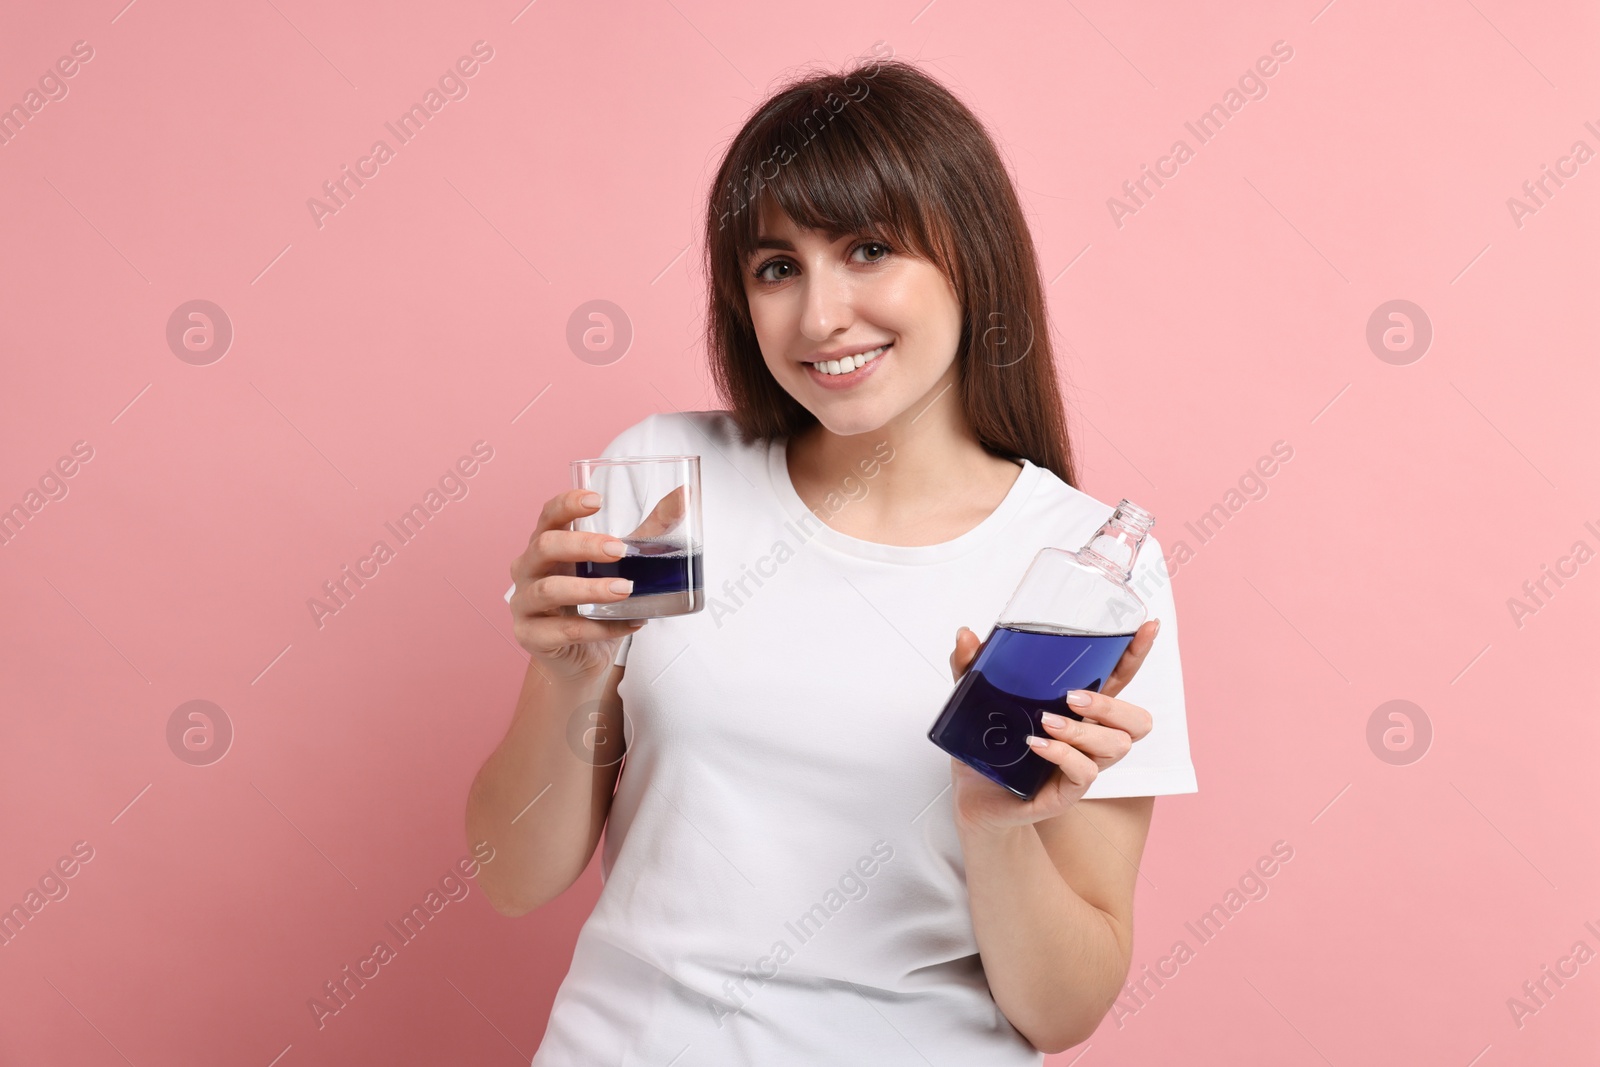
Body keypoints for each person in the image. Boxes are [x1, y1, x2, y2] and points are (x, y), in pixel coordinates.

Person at [469, 53, 1198, 1064]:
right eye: (777, 267)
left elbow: (1059, 1010)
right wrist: (570, 676)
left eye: (866, 250)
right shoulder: (664, 486)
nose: (819, 318)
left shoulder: (1080, 569)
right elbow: (510, 873)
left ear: (969, 259)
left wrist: (993, 827)